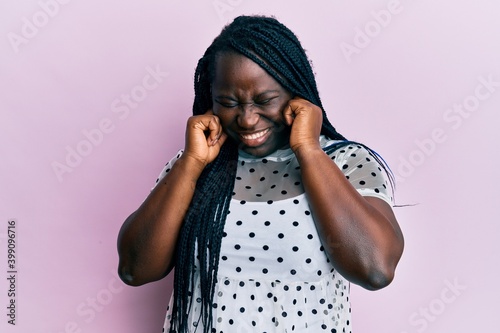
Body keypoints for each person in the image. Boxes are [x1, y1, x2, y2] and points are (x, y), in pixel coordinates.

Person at [117, 15, 404, 333]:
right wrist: (191, 164)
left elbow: (375, 268)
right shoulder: (196, 163)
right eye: (228, 102)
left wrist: (308, 150)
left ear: (296, 93)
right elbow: (134, 268)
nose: (247, 119)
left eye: (265, 100)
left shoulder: (346, 162)